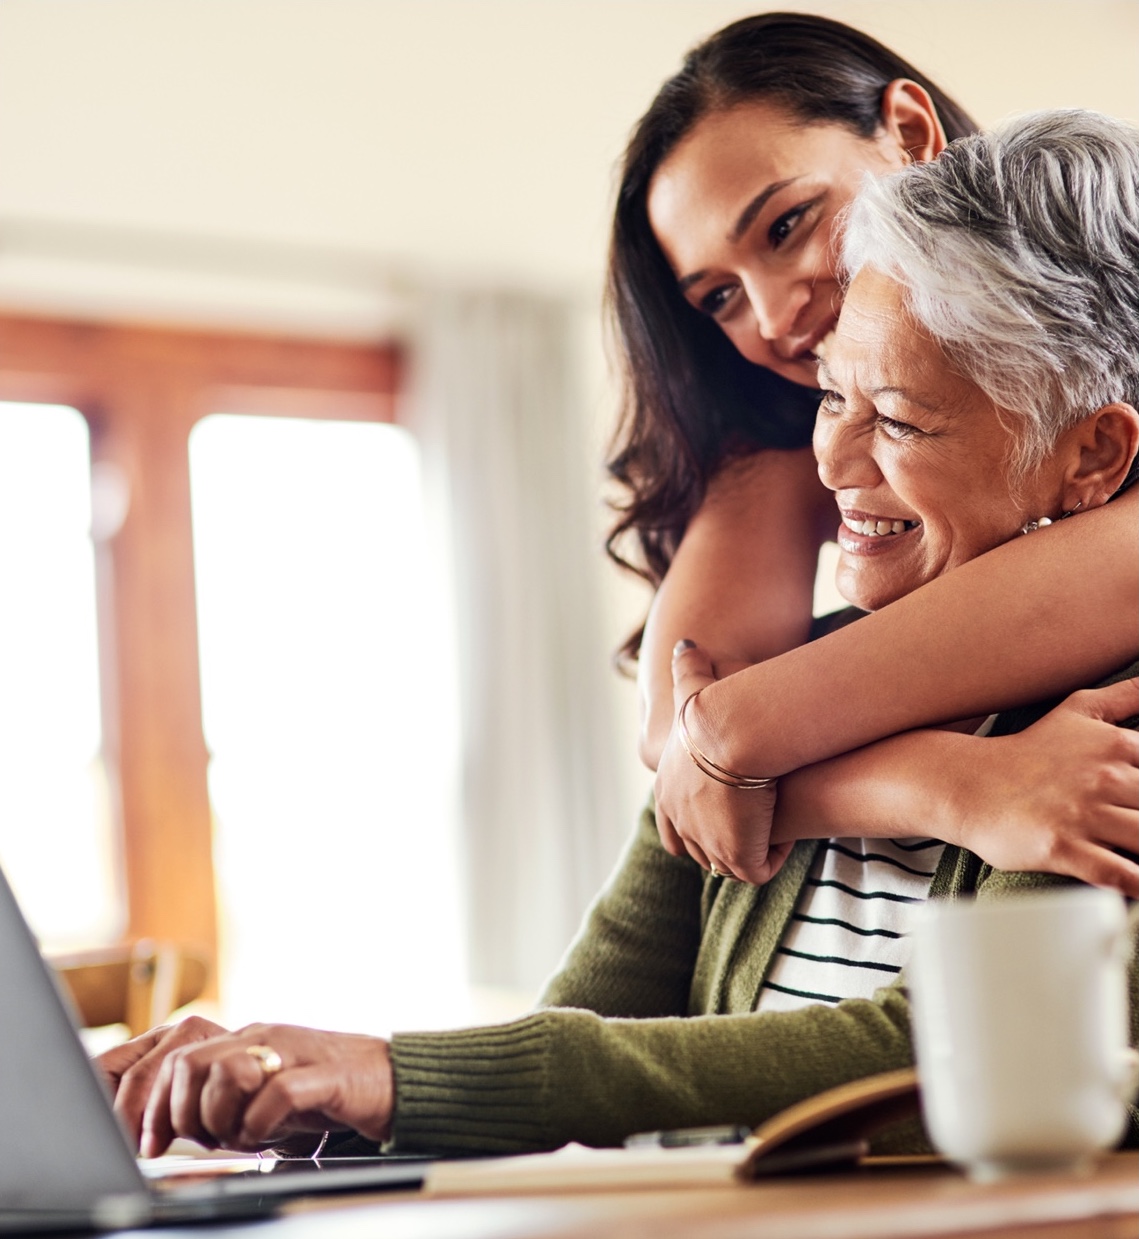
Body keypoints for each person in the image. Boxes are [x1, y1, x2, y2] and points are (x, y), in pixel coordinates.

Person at [100, 109, 1139, 1159]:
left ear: (1091, 454)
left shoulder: (1106, 732)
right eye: (830, 398)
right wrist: (306, 1086)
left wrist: (392, 1078)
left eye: (901, 420)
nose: (834, 463)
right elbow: (588, 1013)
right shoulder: (790, 686)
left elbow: (940, 1056)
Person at [608, 13, 1138, 891]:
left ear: (908, 131)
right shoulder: (783, 450)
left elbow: (720, 732)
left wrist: (740, 739)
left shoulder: (1092, 258)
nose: (776, 317)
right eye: (719, 297)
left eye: (785, 226)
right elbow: (682, 729)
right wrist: (951, 788)